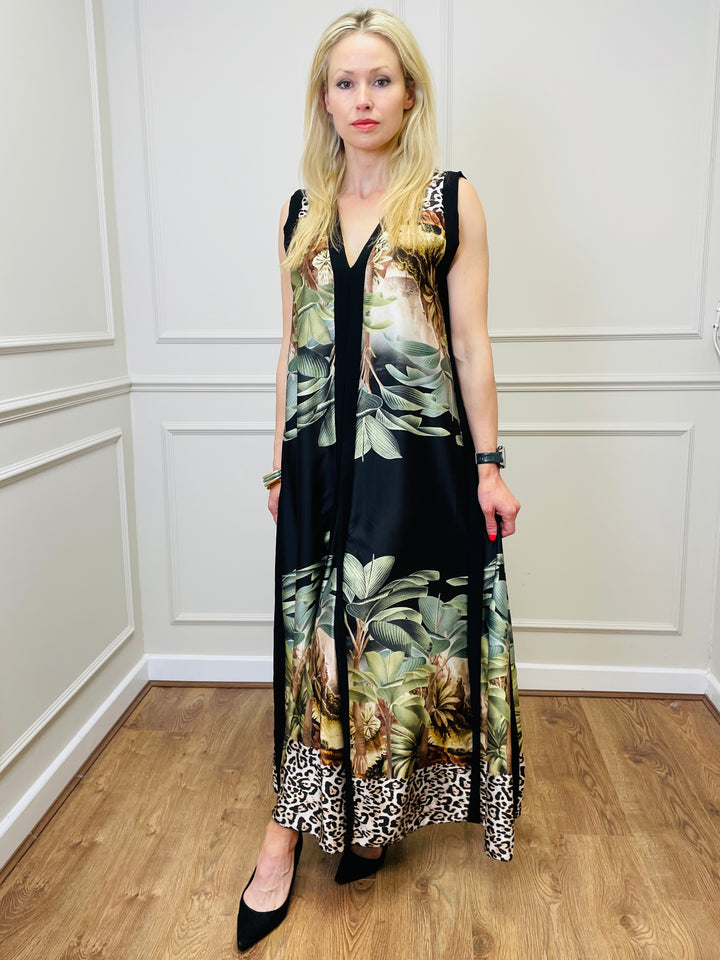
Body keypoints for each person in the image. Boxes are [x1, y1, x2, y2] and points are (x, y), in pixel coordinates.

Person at [236, 8, 524, 951]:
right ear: (324, 101)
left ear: (410, 96)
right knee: (311, 643)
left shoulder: (447, 201)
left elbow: (471, 344)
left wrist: (491, 466)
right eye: (345, 83)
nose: (363, 98)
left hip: (416, 463)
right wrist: (277, 460)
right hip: (316, 462)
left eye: (381, 80)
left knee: (389, 641)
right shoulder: (299, 214)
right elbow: (291, 346)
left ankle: (364, 819)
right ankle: (286, 836)